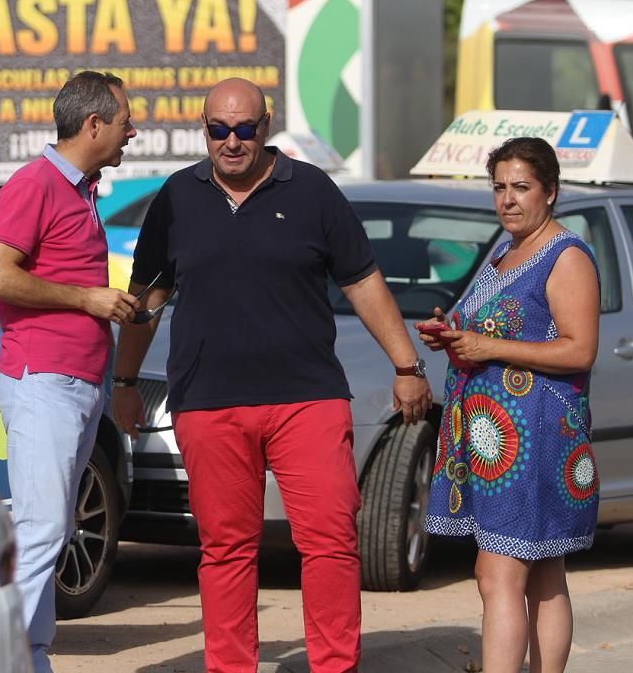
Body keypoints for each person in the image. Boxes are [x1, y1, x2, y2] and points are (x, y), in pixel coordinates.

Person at [110, 77, 432, 673]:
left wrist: (406, 364)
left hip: (306, 400)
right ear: (203, 128)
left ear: (266, 124)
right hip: (209, 402)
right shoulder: (177, 198)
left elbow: (363, 281)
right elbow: (147, 296)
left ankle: (335, 665)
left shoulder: (311, 190)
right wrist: (125, 382)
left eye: (245, 129)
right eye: (218, 130)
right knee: (225, 551)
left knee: (331, 543)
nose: (231, 142)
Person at [0, 70, 140, 673]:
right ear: (94, 123)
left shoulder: (82, 188)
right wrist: (87, 299)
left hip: (74, 382)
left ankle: (33, 655)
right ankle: (4, 658)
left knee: (55, 529)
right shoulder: (35, 184)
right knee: (43, 529)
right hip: (44, 380)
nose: (134, 130)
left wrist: (113, 303)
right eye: (126, 121)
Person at [421, 137, 600, 673]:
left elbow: (579, 347)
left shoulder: (565, 255)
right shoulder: (505, 250)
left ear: (551, 191)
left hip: (535, 440)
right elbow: (499, 329)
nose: (508, 199)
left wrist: (488, 346)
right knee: (542, 576)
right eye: (499, 187)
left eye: (521, 187)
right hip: (498, 441)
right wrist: (453, 335)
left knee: (496, 574)